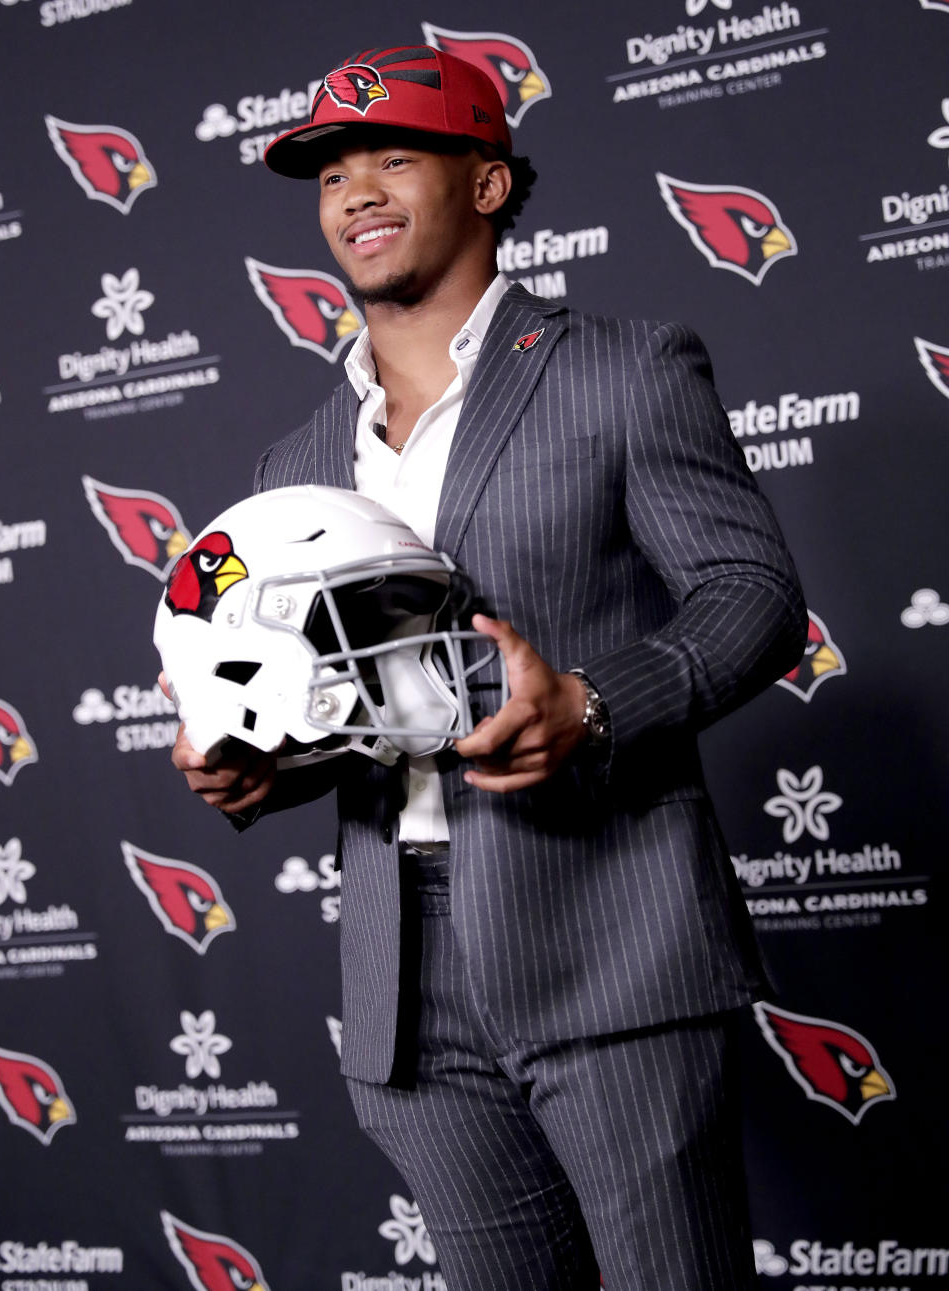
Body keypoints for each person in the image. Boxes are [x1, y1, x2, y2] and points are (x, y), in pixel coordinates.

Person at [169, 43, 807, 1291]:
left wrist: (593, 702)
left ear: (491, 184)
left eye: (394, 158)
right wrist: (259, 765)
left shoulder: (624, 367)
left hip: (611, 933)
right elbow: (350, 709)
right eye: (332, 172)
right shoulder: (291, 466)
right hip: (407, 975)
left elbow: (756, 599)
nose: (355, 191)